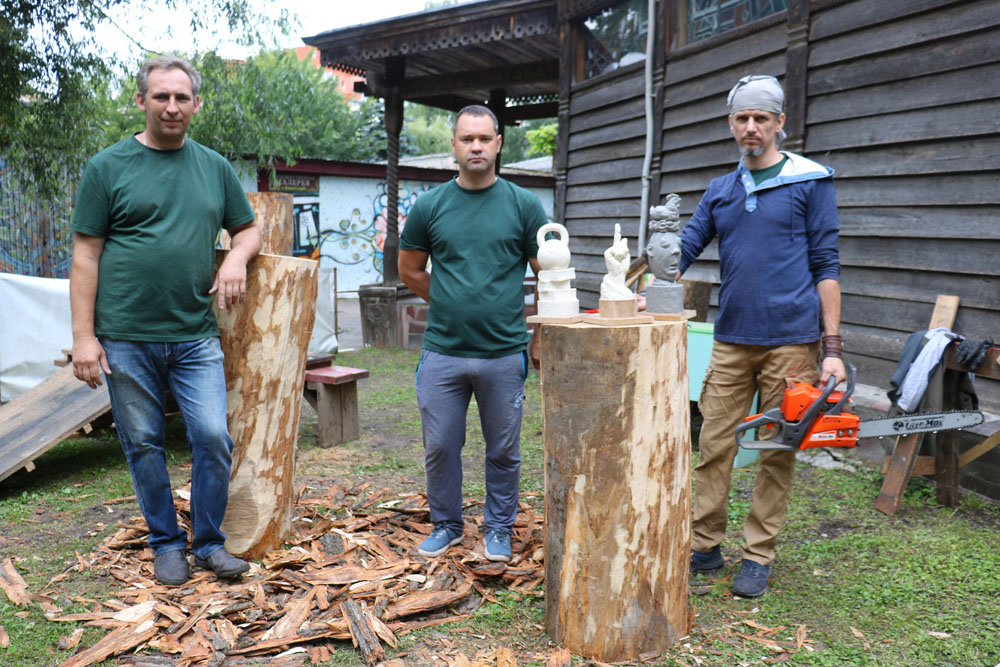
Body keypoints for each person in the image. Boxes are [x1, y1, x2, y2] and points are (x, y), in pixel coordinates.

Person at [70, 54, 262, 586]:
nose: (172, 107)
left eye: (182, 98)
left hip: (194, 332)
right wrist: (83, 337)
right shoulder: (107, 167)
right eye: (161, 96)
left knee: (211, 436)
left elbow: (248, 230)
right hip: (125, 334)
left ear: (195, 104)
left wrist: (236, 258)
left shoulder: (214, 167)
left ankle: (208, 543)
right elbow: (85, 254)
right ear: (141, 101)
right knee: (144, 442)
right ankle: (165, 543)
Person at [678, 75, 847, 597]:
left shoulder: (809, 183)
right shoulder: (721, 190)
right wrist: (648, 284)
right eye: (742, 118)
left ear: (779, 123)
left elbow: (827, 264)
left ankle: (758, 555)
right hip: (731, 338)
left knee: (777, 450)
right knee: (714, 444)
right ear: (731, 123)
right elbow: (685, 245)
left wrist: (833, 349)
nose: (751, 127)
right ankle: (705, 545)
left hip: (792, 341)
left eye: (761, 118)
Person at [398, 105, 547, 562]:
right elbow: (410, 270)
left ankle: (499, 528)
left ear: (499, 143)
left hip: (504, 352)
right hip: (443, 351)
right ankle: (446, 524)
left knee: (503, 448)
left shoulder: (524, 205)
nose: (476, 146)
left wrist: (538, 335)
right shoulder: (430, 206)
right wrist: (451, 300)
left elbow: (549, 275)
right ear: (454, 146)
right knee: (441, 445)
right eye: (467, 139)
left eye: (484, 138)